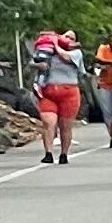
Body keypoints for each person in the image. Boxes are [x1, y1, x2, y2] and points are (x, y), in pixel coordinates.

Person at [26, 28, 85, 164]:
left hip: (69, 92)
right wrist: (38, 65)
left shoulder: (76, 53)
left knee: (65, 126)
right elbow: (32, 61)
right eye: (66, 36)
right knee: (48, 123)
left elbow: (65, 56)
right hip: (48, 91)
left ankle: (64, 154)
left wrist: (56, 45)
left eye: (72, 38)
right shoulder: (46, 51)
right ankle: (48, 153)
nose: (68, 39)